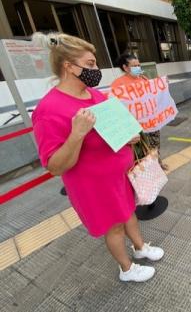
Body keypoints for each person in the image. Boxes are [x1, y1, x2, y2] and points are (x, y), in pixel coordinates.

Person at [31, 32, 164, 283]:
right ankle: (127, 269)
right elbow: (54, 166)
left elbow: (110, 132)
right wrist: (76, 134)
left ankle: (140, 247)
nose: (96, 69)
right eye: (90, 64)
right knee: (114, 226)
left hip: (119, 176)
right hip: (94, 186)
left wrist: (128, 137)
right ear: (69, 66)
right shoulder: (48, 110)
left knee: (128, 213)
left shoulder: (94, 95)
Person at [112, 53, 168, 170]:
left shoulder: (143, 79)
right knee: (141, 149)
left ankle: (158, 163)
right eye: (134, 66)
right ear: (125, 67)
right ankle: (146, 168)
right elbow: (116, 106)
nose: (138, 68)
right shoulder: (118, 84)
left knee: (155, 144)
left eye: (139, 65)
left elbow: (152, 95)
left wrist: (161, 84)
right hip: (136, 125)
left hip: (151, 120)